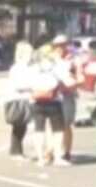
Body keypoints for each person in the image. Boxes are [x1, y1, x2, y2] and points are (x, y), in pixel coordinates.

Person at [23, 44, 67, 166]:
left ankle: (40, 158)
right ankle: (57, 157)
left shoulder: (33, 67)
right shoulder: (56, 66)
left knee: (38, 130)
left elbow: (27, 83)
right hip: (54, 100)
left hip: (37, 101)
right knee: (57, 130)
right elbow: (65, 80)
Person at [50, 35, 80, 165]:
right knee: (52, 125)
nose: (60, 48)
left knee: (66, 124)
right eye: (57, 45)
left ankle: (67, 152)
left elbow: (79, 77)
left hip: (67, 95)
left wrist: (73, 82)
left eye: (63, 45)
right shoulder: (50, 59)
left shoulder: (73, 59)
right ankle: (51, 151)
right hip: (53, 95)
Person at [5, 40, 34, 157]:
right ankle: (15, 151)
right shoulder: (17, 68)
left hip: (25, 99)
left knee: (23, 126)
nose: (31, 55)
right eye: (29, 53)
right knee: (18, 126)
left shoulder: (27, 67)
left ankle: (18, 150)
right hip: (17, 100)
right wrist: (32, 85)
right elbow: (18, 85)